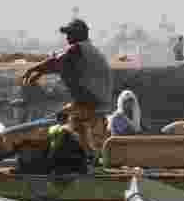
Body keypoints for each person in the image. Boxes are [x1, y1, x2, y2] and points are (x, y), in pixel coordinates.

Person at [20, 18, 114, 153]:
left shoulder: (79, 48)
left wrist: (33, 69)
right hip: (93, 99)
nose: (67, 38)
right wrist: (40, 72)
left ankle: (64, 153)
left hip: (91, 100)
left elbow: (58, 60)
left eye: (70, 34)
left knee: (63, 122)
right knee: (72, 123)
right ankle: (88, 153)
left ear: (79, 35)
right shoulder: (87, 50)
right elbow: (60, 62)